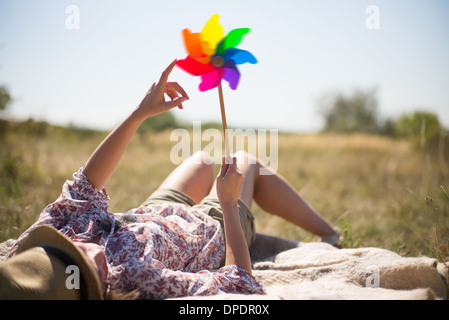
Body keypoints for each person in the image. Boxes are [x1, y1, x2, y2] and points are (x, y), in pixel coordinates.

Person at [1, 60, 341, 300]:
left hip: (153, 213)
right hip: (209, 231)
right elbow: (239, 283)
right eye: (90, 270)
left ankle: (325, 230)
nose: (94, 254)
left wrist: (140, 113)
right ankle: (332, 234)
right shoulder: (134, 280)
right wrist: (226, 202)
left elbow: (85, 183)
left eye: (75, 251)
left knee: (201, 159)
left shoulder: (50, 233)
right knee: (246, 162)